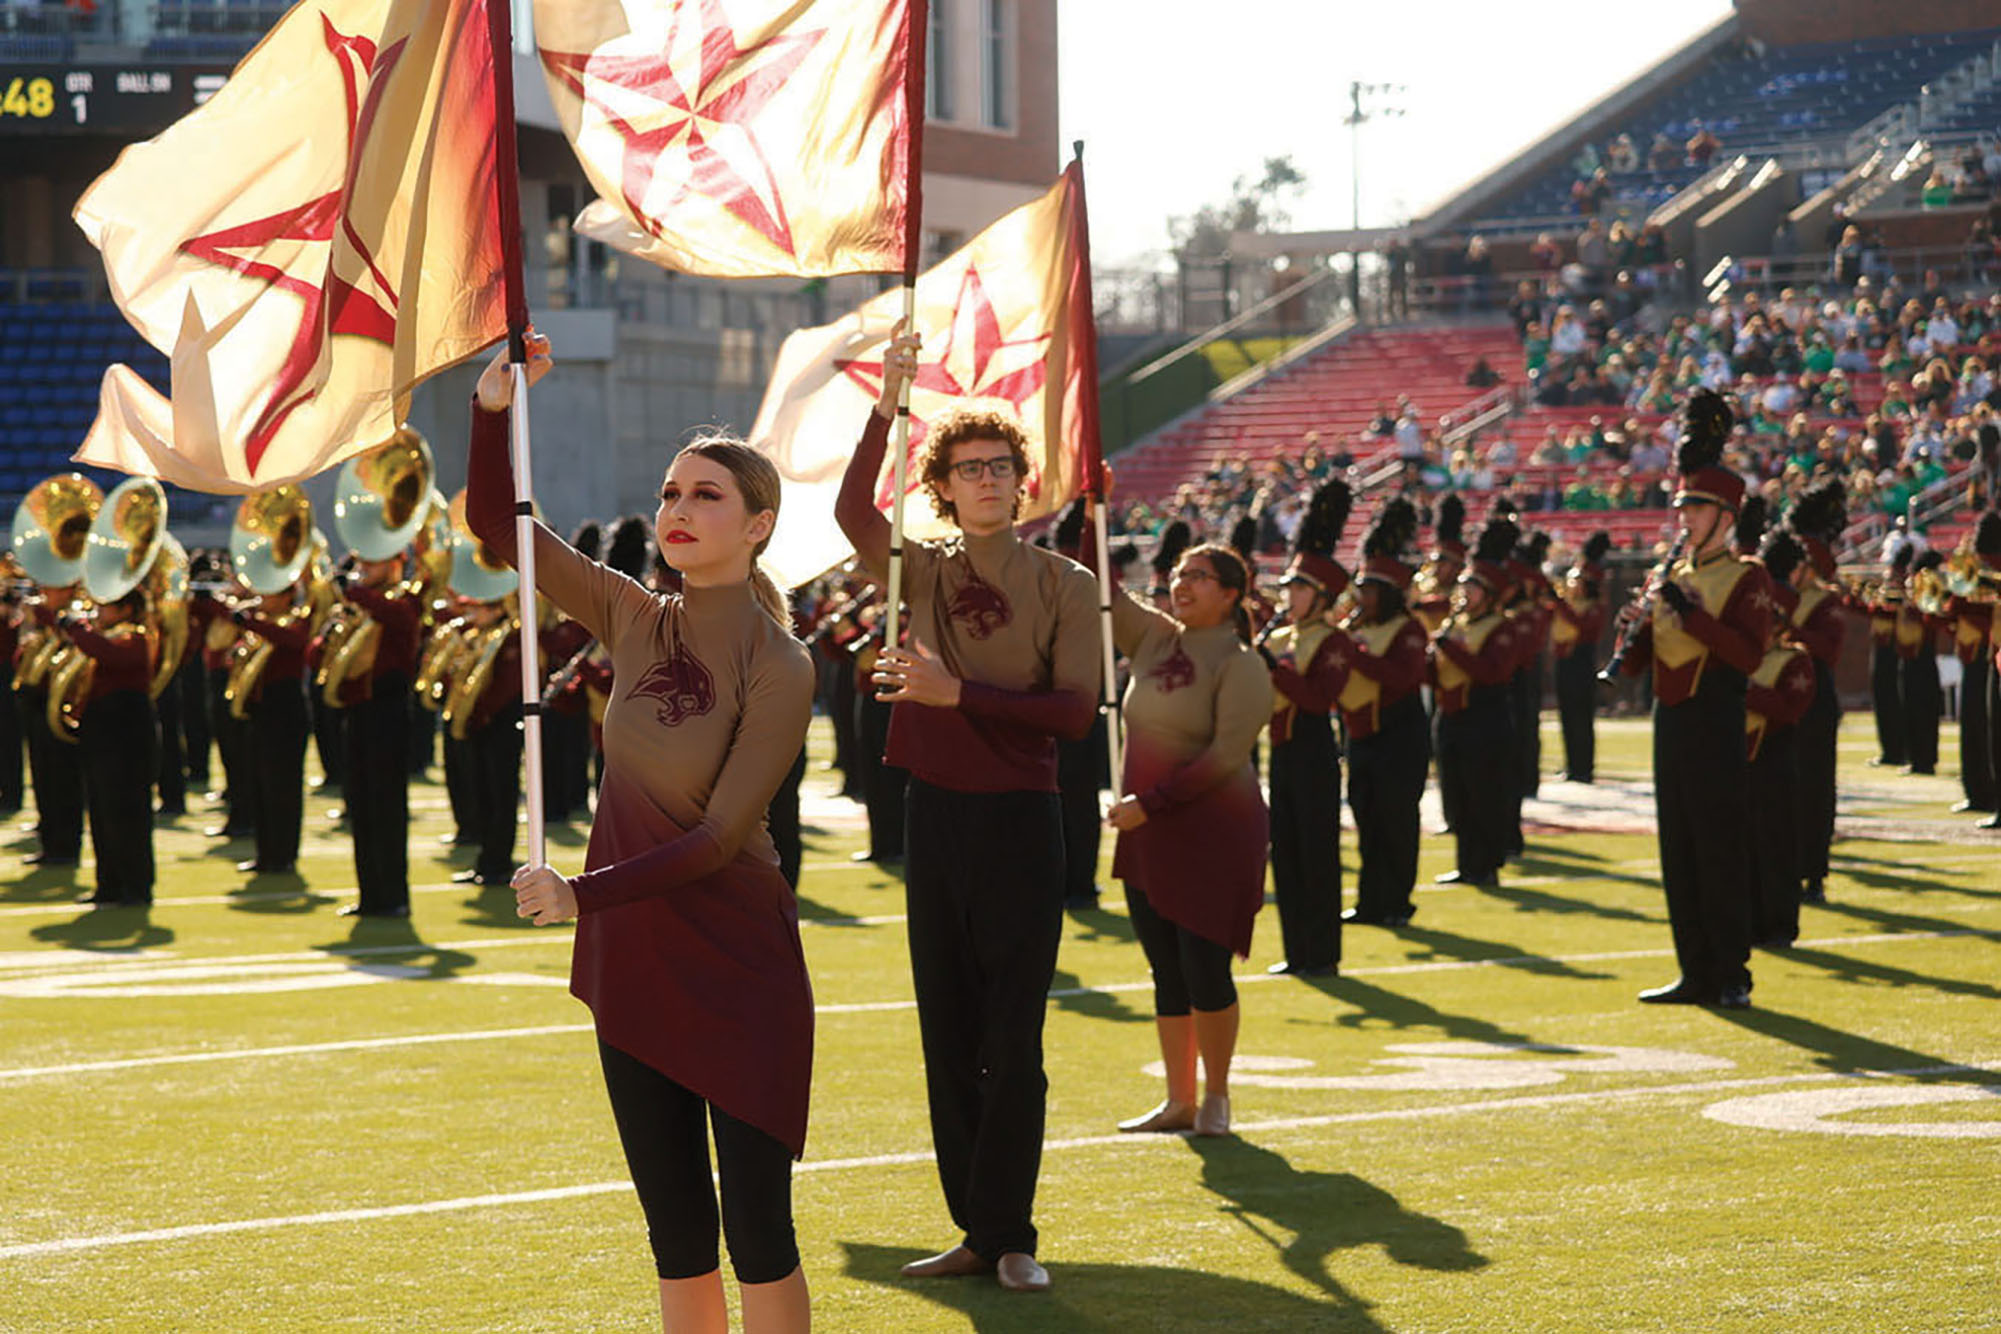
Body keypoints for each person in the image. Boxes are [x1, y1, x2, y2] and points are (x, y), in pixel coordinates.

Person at [478, 335, 818, 1332]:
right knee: (675, 1227)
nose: (677, 509)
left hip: (739, 958)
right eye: (671, 491)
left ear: (758, 524)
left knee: (757, 1226)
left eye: (706, 495)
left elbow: (719, 836)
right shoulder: (631, 614)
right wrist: (493, 412)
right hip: (633, 954)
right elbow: (502, 526)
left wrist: (582, 894)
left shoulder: (781, 658)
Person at [836, 324, 1098, 1295]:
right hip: (936, 815)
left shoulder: (1065, 581)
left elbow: (1075, 710)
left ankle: (1013, 1226)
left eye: (1001, 465)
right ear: (941, 483)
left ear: (1023, 481)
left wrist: (961, 695)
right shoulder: (924, 569)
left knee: (1012, 1036)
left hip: (1023, 822)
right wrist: (889, 401)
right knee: (946, 1031)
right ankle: (976, 1229)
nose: (986, 479)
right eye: (967, 467)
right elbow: (850, 511)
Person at [1107, 542, 1272, 1138]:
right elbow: (1099, 588)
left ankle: (1217, 1097)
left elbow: (1227, 757)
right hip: (1148, 828)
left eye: (1199, 577)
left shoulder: (1242, 661)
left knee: (1205, 967)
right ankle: (1179, 1100)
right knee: (1165, 969)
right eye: (1178, 573)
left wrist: (1149, 805)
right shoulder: (1155, 639)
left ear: (1232, 594)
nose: (1183, 583)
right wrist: (1087, 512)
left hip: (1211, 830)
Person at [1617, 389, 1771, 1008]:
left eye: (1697, 509)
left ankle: (1730, 972)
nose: (1684, 519)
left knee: (1718, 844)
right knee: (1677, 846)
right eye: (1682, 507)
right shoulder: (1673, 577)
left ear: (1725, 515)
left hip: (1714, 718)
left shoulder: (1747, 576)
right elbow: (1642, 662)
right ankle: (1694, 969)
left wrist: (1691, 616)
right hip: (1671, 719)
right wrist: (1633, 634)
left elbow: (1748, 656)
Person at [1260, 481, 1352, 978]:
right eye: (1290, 586)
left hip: (1315, 750)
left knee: (1317, 852)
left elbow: (1319, 698)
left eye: (1298, 588)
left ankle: (1322, 953)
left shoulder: (1334, 641)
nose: (1288, 595)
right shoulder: (1278, 637)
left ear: (1320, 598)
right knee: (1287, 852)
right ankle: (1296, 949)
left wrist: (1272, 667)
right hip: (1281, 751)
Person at [1329, 499, 1430, 926]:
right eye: (1361, 589)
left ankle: (1397, 902)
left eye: (1370, 590)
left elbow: (1401, 678)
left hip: (1399, 734)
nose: (1362, 597)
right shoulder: (1358, 628)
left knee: (1396, 821)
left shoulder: (1407, 629)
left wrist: (1354, 654)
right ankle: (1370, 901)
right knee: (1366, 820)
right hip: (1361, 734)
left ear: (1388, 593)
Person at [1430, 513, 1523, 891]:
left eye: (1473, 588)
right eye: (1464, 587)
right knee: (1456, 794)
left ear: (1489, 593)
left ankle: (1486, 863)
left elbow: (1492, 673)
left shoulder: (1501, 627)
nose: (1465, 594)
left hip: (1484, 719)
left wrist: (1449, 649)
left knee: (1483, 793)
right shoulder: (1459, 625)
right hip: (1450, 717)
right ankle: (1466, 862)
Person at [51, 591, 157, 906]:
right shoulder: (102, 636)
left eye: (105, 605)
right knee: (101, 811)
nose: (98, 611)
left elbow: (112, 656)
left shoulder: (136, 636)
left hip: (127, 736)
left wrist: (78, 628)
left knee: (128, 812)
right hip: (101, 734)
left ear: (126, 609)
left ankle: (136, 887)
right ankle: (108, 884)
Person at [1746, 530, 1817, 949]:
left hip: (1775, 757)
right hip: (1744, 760)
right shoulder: (1749, 657)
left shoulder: (1795, 659)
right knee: (1748, 845)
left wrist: (1744, 689)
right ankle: (1753, 920)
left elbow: (1789, 709)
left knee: (1777, 844)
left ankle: (1780, 923)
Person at [1785, 481, 1849, 901]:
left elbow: (1828, 650)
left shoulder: (1823, 601)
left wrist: (1787, 628)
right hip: (1783, 693)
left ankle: (1814, 872)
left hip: (1814, 691)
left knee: (1816, 787)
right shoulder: (1780, 595)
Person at [230, 586, 312, 875]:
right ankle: (265, 853)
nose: (263, 598)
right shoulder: (265, 623)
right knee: (260, 784)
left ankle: (284, 854)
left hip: (285, 709)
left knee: (283, 786)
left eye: (271, 593)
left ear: (287, 595)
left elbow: (295, 642)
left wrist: (252, 622)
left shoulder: (297, 619)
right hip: (261, 709)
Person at [1550, 532, 1610, 782]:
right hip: (1565, 661)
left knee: (1581, 716)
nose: (1572, 585)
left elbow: (1583, 626)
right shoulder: (1571, 604)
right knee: (1566, 714)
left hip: (1582, 661)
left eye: (1578, 581)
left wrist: (1559, 604)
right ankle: (1571, 765)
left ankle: (1584, 767)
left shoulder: (1594, 607)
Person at [1896, 551, 1946, 776]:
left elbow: (1931, 617)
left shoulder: (1929, 586)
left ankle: (1925, 759)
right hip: (1910, 653)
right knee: (1911, 708)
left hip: (1923, 653)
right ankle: (1916, 757)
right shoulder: (1915, 585)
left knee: (1924, 708)